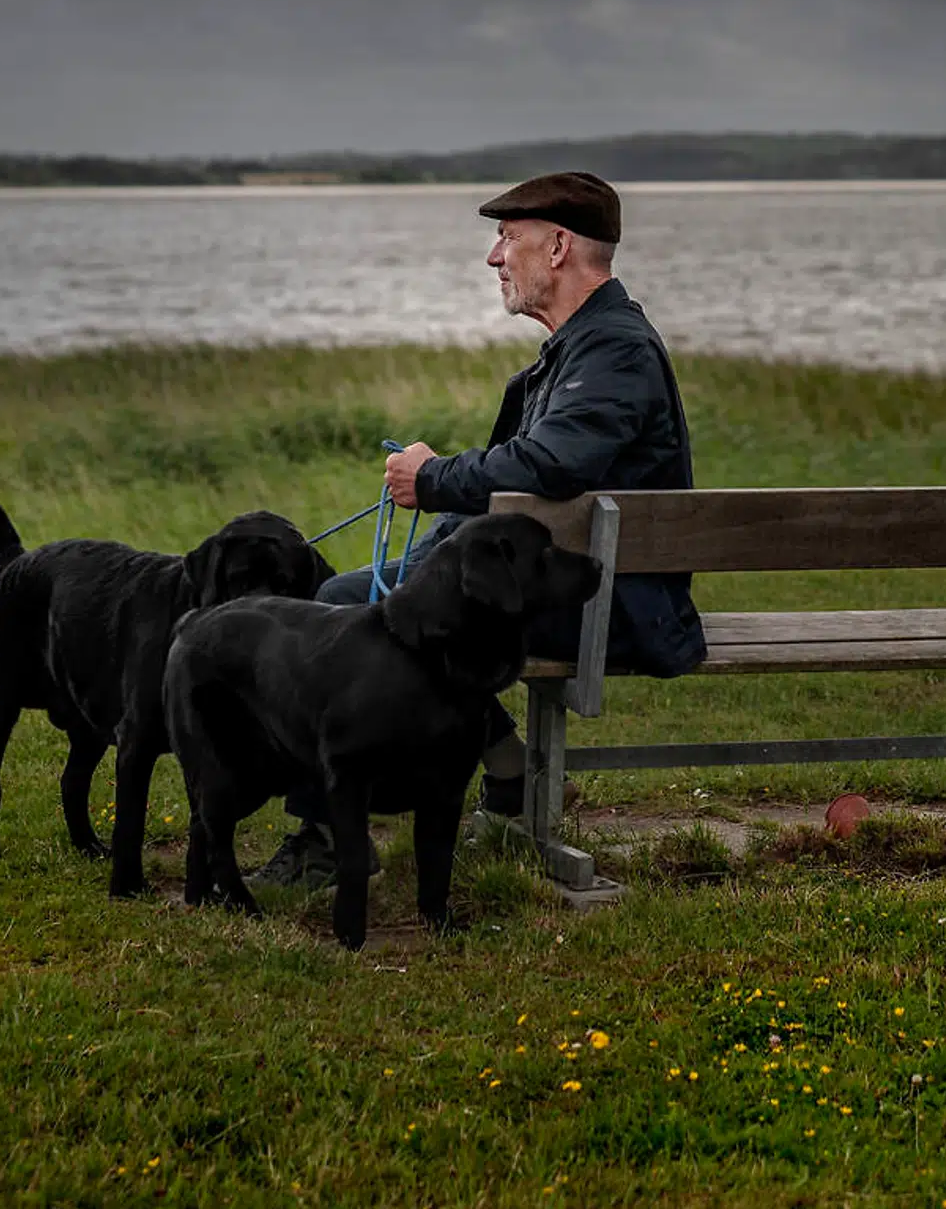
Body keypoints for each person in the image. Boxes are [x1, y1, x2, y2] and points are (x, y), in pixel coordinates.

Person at [251, 170, 704, 889]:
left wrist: (431, 478)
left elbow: (551, 463)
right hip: (569, 594)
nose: (495, 257)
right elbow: (528, 485)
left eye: (506, 237)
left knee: (346, 612)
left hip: (613, 608)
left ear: (557, 247)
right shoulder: (583, 349)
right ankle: (501, 765)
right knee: (349, 594)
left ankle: (331, 838)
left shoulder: (614, 351)